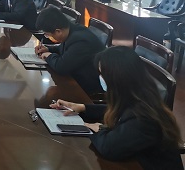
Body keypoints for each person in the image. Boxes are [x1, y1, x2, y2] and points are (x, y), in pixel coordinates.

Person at [52, 46, 183, 170]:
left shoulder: (144, 118)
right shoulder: (138, 96)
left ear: (118, 79)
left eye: (102, 74)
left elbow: (108, 148)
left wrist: (100, 128)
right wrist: (82, 108)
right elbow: (120, 112)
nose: (100, 78)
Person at [34, 6, 104, 95]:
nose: (48, 37)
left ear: (58, 31)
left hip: (86, 86)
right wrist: (48, 49)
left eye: (47, 35)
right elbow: (63, 48)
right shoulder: (71, 30)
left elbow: (61, 67)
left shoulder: (80, 41)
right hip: (75, 76)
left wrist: (49, 56)